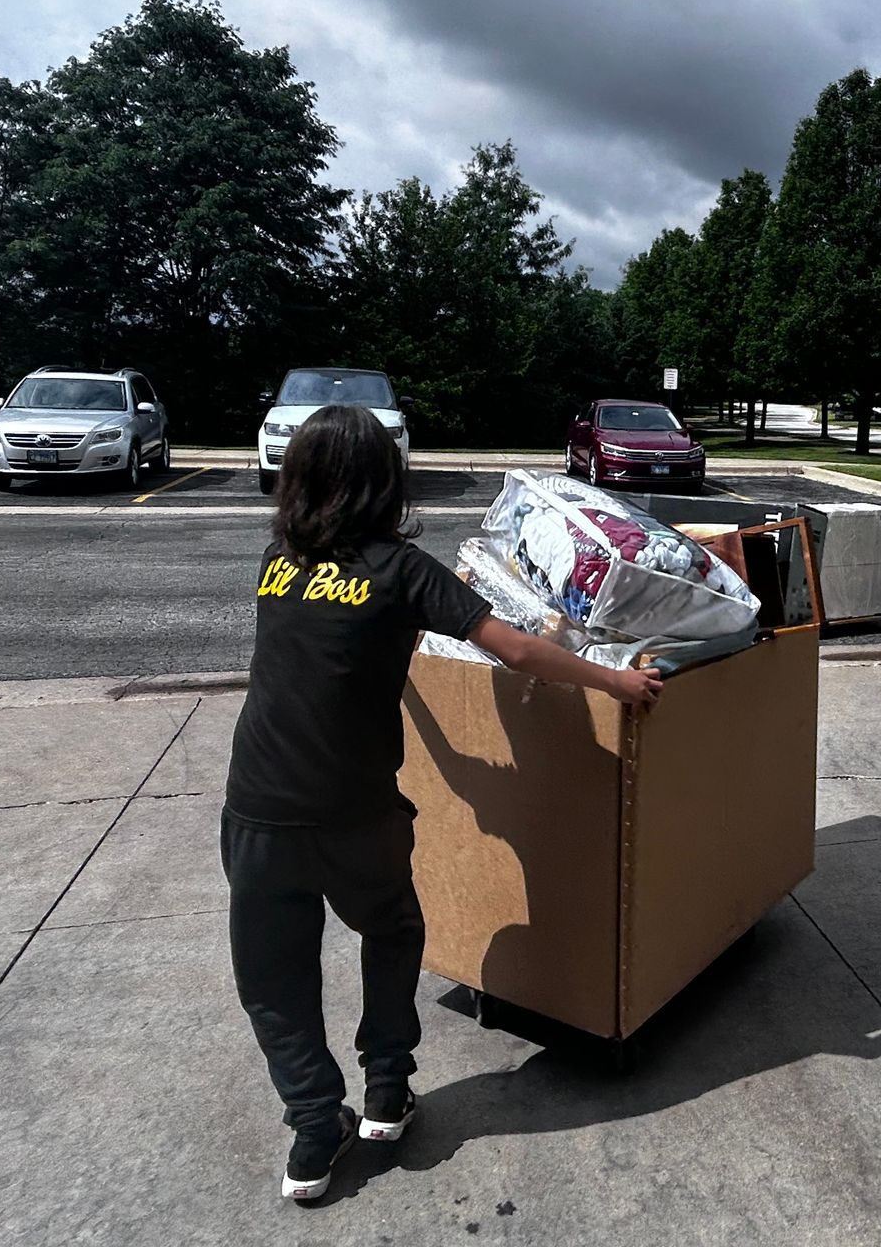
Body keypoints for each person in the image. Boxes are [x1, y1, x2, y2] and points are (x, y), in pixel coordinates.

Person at [222, 405, 662, 1202]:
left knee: (273, 978)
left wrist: (412, 692)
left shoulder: (276, 561)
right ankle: (387, 1089)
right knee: (392, 929)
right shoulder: (401, 570)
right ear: (387, 484)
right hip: (355, 811)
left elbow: (321, 665)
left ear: (300, 479)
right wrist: (618, 682)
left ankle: (314, 1128)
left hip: (258, 808)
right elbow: (517, 648)